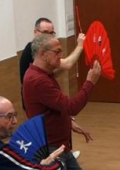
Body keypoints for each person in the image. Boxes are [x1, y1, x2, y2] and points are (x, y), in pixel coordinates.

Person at [23, 34, 102, 170]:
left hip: (60, 145)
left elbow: (54, 111)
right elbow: (71, 106)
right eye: (57, 52)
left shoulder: (43, 74)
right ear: (42, 54)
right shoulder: (38, 81)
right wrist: (90, 82)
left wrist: (70, 124)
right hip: (49, 149)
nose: (61, 55)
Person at [18, 17, 89, 158]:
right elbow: (67, 64)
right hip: (37, 101)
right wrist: (80, 46)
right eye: (45, 32)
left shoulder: (43, 72)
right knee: (48, 133)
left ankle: (65, 153)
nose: (49, 36)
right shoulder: (32, 52)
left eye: (52, 33)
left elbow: (55, 70)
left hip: (43, 97)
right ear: (35, 33)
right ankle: (56, 157)